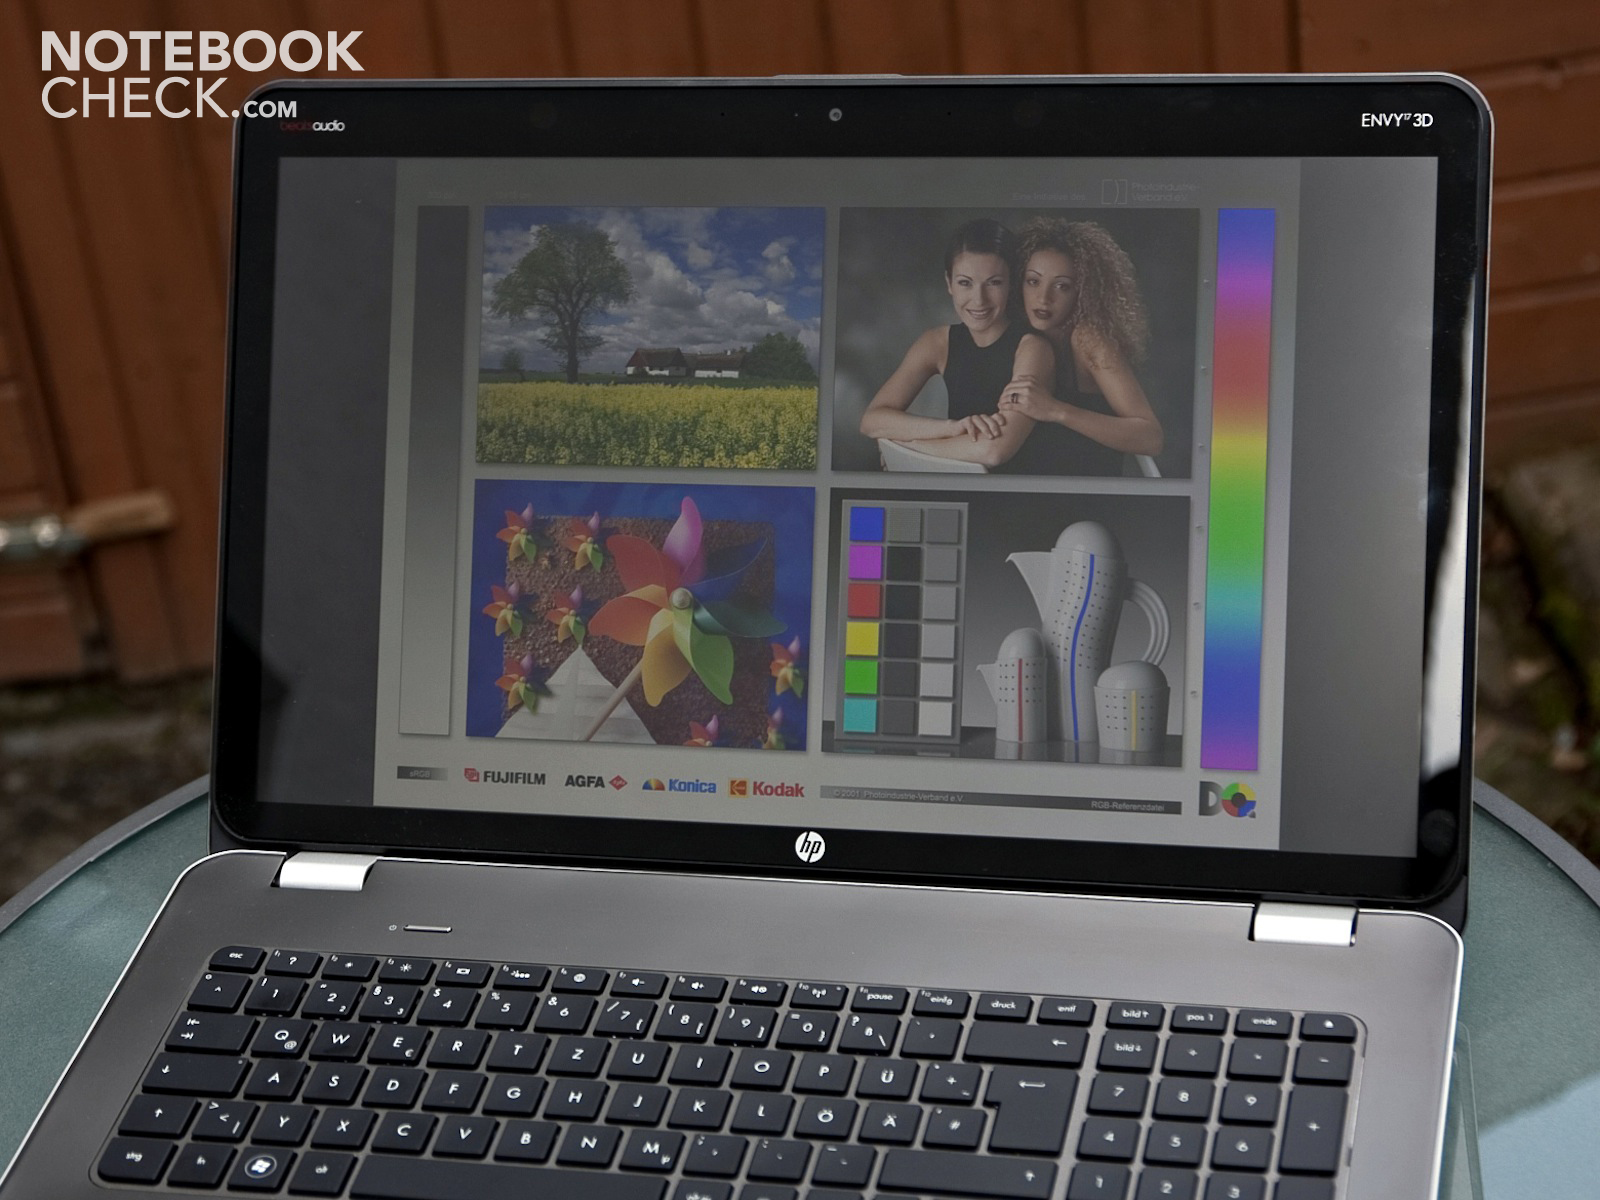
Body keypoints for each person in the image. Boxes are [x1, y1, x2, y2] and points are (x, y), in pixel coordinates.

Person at [858, 219, 1054, 469]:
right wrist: (951, 428)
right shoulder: (936, 342)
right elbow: (871, 421)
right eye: (965, 283)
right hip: (956, 486)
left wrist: (909, 447)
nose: (979, 300)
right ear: (949, 283)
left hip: (1018, 490)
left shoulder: (1033, 349)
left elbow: (993, 450)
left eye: (994, 282)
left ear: (1012, 284)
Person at [996, 218, 1163, 475]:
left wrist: (1056, 410)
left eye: (1062, 286)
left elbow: (1150, 438)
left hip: (1089, 490)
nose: (1044, 298)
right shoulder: (1017, 335)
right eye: (1033, 281)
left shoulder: (1088, 338)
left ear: (1083, 292)